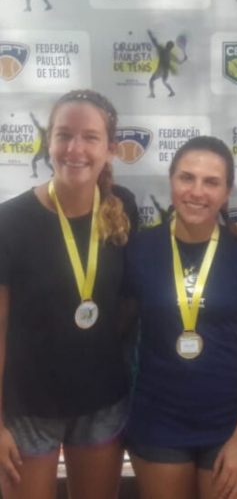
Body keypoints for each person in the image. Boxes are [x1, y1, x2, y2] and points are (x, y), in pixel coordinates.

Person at [0, 90, 138, 499]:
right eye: (64, 135)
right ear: (49, 141)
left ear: (110, 149)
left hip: (102, 400)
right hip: (27, 407)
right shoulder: (10, 222)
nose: (75, 149)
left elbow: (128, 304)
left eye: (90, 137)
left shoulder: (123, 207)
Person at [124, 136, 237, 499]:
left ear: (226, 191)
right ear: (171, 180)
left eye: (211, 182)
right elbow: (121, 327)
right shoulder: (141, 250)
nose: (197, 191)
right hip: (158, 421)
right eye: (187, 178)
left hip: (229, 423)